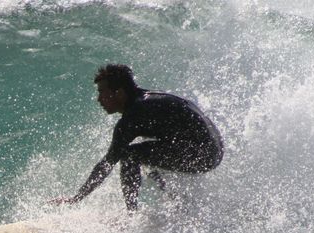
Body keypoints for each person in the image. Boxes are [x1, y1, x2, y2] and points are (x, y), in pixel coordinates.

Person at [52, 64, 224, 211]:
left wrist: (76, 198)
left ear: (119, 93)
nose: (98, 99)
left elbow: (107, 164)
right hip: (213, 149)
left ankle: (131, 214)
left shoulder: (135, 115)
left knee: (130, 155)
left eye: (102, 93)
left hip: (203, 153)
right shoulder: (146, 101)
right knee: (147, 157)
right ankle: (175, 205)